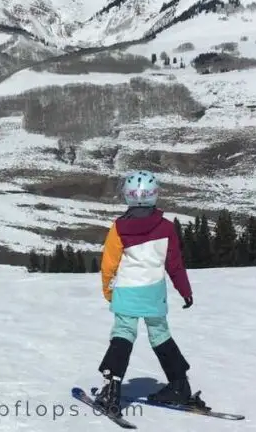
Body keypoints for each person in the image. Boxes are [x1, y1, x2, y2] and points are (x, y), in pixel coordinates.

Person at [93, 170, 195, 415]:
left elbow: (109, 264)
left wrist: (108, 290)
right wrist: (185, 291)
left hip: (128, 290)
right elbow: (175, 264)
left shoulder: (118, 227)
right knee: (160, 334)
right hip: (154, 291)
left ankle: (112, 391)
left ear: (128, 195)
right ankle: (179, 386)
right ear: (154, 194)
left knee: (123, 334)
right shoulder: (167, 227)